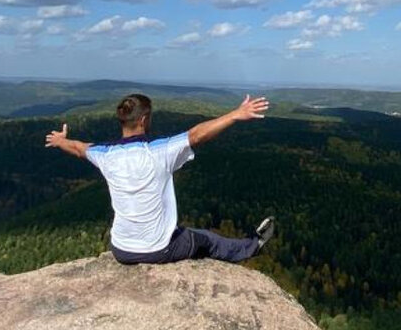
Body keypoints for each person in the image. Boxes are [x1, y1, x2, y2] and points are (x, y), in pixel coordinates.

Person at [44, 92, 275, 265]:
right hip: (158, 249)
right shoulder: (159, 152)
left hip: (121, 250)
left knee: (187, 234)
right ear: (144, 120)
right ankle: (252, 246)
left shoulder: (105, 155)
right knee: (206, 239)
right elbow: (196, 135)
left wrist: (59, 141)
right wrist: (235, 115)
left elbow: (79, 148)